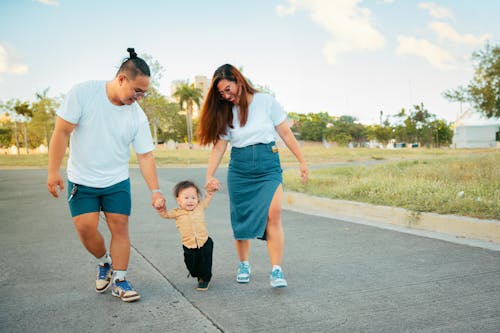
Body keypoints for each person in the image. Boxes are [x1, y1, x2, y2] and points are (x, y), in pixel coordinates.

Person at [46, 48, 166, 302]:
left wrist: (155, 190)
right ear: (122, 79)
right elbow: (62, 131)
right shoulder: (84, 93)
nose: (140, 97)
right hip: (82, 179)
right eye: (137, 91)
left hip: (116, 181)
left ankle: (120, 280)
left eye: (145, 93)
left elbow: (145, 155)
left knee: (120, 227)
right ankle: (105, 262)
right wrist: (53, 170)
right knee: (86, 228)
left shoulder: (137, 116)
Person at [198, 64, 308, 288]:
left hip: (268, 164)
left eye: (228, 89)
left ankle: (276, 270)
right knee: (241, 217)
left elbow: (285, 132)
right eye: (222, 94)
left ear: (238, 80)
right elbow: (219, 147)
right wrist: (210, 174)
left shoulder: (266, 101)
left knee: (274, 213)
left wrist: (302, 161)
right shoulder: (227, 111)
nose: (227, 96)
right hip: (240, 168)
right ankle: (244, 264)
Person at [155, 180, 218, 291]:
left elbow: (208, 196)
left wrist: (211, 190)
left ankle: (205, 278)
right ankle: (198, 274)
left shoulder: (200, 207)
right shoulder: (177, 212)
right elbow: (165, 214)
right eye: (186, 198)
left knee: (205, 263)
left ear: (197, 199)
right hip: (189, 245)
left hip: (204, 242)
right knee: (191, 265)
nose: (190, 201)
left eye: (193, 198)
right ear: (178, 200)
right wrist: (160, 208)